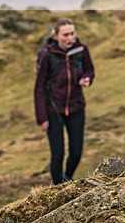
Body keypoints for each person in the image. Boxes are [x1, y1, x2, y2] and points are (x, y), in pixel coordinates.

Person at [34, 18, 94, 184]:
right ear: (56, 36)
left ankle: (67, 177)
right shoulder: (47, 55)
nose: (70, 38)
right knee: (58, 153)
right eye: (65, 35)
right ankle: (57, 187)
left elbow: (89, 70)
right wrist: (42, 117)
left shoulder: (81, 50)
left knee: (76, 152)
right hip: (53, 110)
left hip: (76, 107)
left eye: (72, 34)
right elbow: (39, 87)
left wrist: (87, 78)